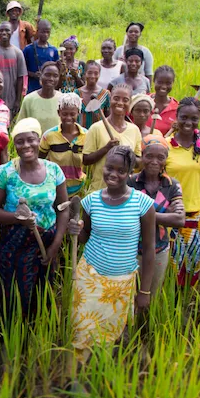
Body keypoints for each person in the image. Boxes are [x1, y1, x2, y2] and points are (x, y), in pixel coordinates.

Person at [67, 147, 156, 366]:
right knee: (81, 329)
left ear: (130, 173)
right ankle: (74, 374)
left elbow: (149, 247)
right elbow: (86, 236)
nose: (113, 174)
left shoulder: (143, 204)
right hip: (89, 276)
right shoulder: (91, 201)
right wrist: (76, 230)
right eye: (109, 168)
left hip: (121, 282)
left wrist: (144, 291)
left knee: (107, 334)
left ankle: (98, 374)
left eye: (121, 170)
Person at [0, 118, 69, 318]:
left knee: (42, 292)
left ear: (38, 140)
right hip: (15, 243)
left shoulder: (53, 170)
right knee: (15, 294)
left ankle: (35, 336)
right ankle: (13, 339)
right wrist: (17, 218)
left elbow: (63, 208)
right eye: (20, 141)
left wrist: (56, 245)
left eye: (30, 140)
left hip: (46, 241)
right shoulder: (5, 173)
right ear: (15, 145)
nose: (26, 146)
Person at [164, 97, 200, 288]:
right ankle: (165, 302)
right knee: (169, 263)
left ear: (199, 118)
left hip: (197, 212)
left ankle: (184, 300)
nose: (188, 123)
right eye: (184, 117)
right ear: (176, 117)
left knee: (192, 262)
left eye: (194, 119)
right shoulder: (166, 145)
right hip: (170, 214)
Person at [127, 136, 185, 298]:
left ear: (166, 159)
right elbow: (125, 214)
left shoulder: (172, 185)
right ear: (142, 156)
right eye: (149, 156)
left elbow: (179, 220)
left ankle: (144, 324)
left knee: (149, 297)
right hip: (129, 250)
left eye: (161, 157)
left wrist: (143, 213)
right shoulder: (130, 183)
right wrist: (165, 214)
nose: (154, 161)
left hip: (159, 249)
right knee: (126, 297)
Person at [82, 84, 142, 192]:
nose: (120, 103)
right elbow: (86, 160)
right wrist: (107, 148)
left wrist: (128, 155)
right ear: (110, 100)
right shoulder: (96, 128)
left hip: (124, 193)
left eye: (125, 100)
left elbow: (139, 161)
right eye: (116, 98)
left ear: (130, 103)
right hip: (99, 190)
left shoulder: (134, 130)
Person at [39, 93, 87, 196]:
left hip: (79, 188)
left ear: (78, 113)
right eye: (64, 114)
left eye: (72, 114)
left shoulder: (86, 135)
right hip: (55, 187)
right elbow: (40, 159)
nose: (68, 118)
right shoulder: (49, 136)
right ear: (58, 113)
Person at [17, 61, 64, 132]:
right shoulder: (29, 99)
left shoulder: (63, 99)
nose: (51, 79)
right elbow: (20, 126)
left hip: (57, 142)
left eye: (55, 76)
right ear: (40, 75)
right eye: (47, 75)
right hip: (35, 142)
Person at [23, 19, 59, 93]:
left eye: (47, 32)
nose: (45, 34)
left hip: (49, 89)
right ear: (37, 31)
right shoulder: (28, 49)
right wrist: (33, 74)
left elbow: (57, 70)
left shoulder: (53, 50)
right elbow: (22, 69)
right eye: (43, 32)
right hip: (32, 88)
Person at [150, 66, 179, 136]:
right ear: (154, 81)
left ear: (173, 83)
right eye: (160, 82)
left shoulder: (177, 109)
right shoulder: (142, 102)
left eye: (168, 83)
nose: (164, 86)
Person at [77, 60, 106, 129]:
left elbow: (108, 118)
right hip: (81, 134)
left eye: (96, 73)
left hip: (99, 133)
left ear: (99, 74)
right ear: (84, 74)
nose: (92, 76)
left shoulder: (105, 94)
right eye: (89, 73)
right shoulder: (77, 93)